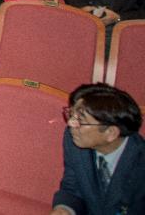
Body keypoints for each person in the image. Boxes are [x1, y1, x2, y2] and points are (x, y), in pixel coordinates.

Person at [52, 83, 145, 215]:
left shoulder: (140, 165)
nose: (71, 123)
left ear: (111, 133)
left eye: (81, 120)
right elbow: (73, 186)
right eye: (71, 114)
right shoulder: (74, 139)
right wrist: (64, 209)